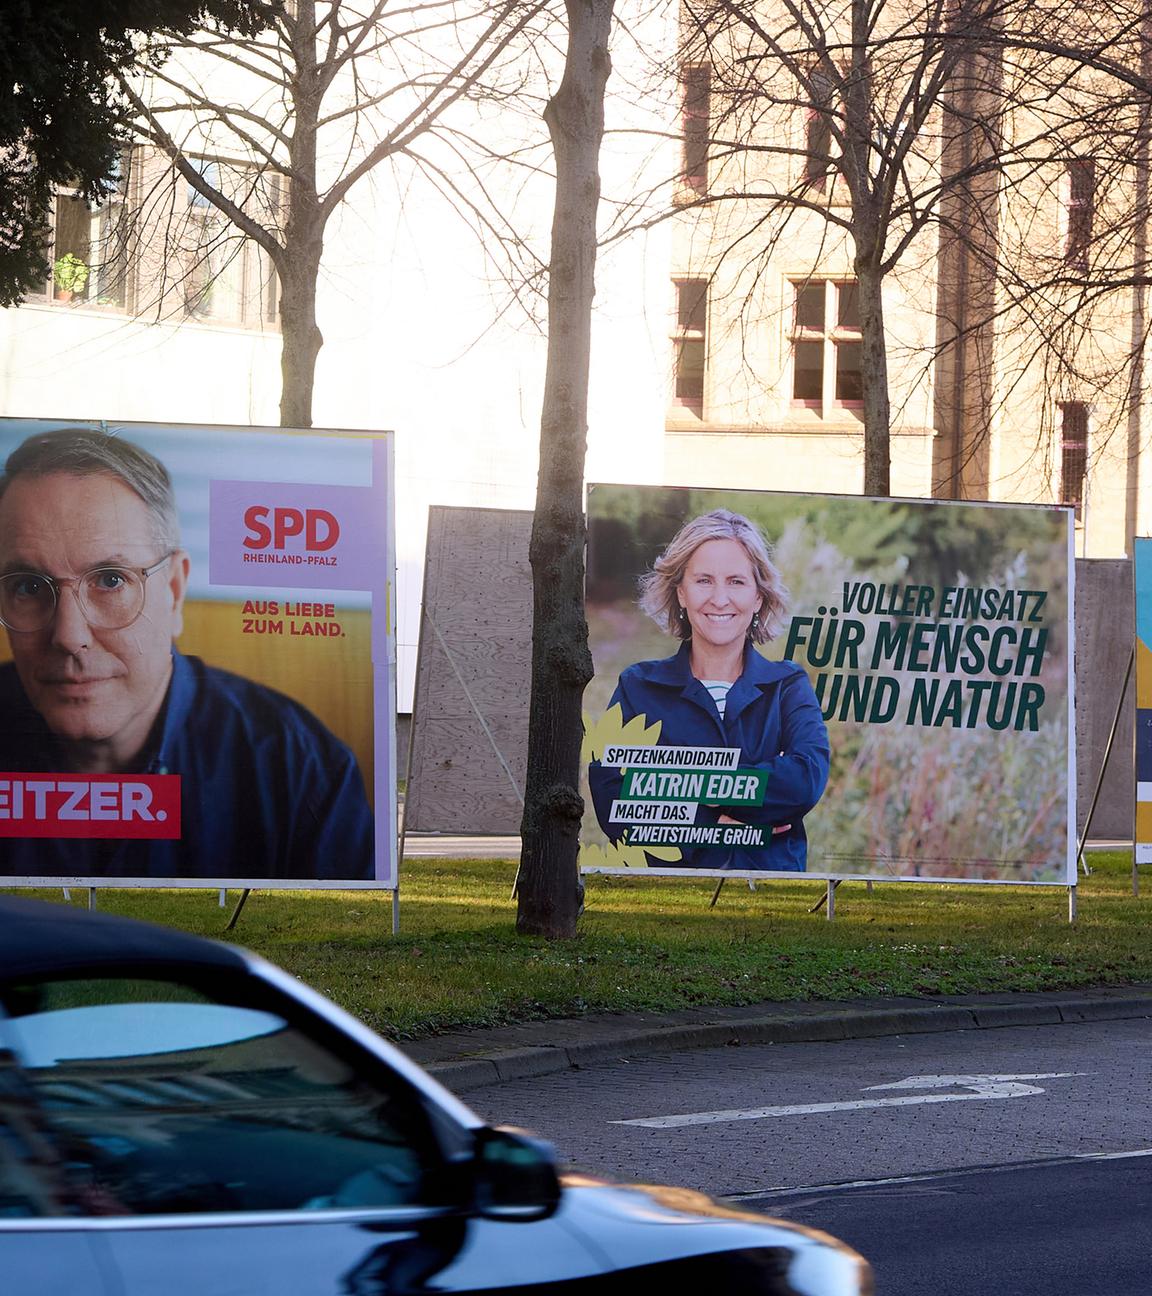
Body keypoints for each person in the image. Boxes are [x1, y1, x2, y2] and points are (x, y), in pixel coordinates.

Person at [0, 428, 374, 880]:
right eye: (26, 586)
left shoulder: (300, 768)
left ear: (174, 592)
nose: (68, 636)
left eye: (111, 580)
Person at [589, 508, 829, 871]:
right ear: (681, 593)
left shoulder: (788, 686)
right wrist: (713, 826)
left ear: (758, 597)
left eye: (736, 581)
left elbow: (804, 780)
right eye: (704, 580)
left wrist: (678, 785)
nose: (720, 598)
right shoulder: (638, 687)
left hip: (773, 899)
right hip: (673, 901)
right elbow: (614, 797)